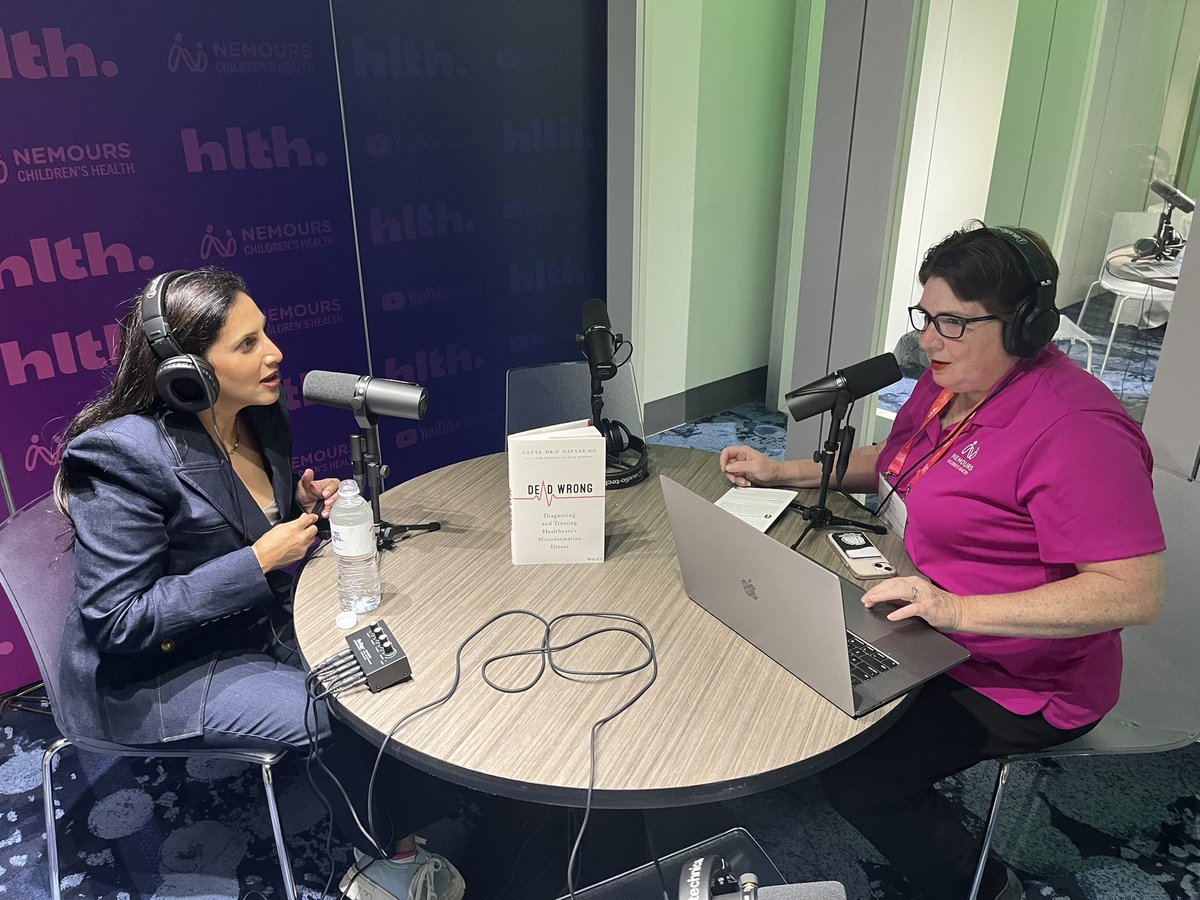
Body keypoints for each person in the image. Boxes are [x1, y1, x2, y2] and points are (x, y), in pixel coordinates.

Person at [719, 222, 1165, 899]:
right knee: (782, 654)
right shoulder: (951, 381)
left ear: (1023, 326)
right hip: (923, 620)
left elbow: (1132, 593)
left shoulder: (1078, 432)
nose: (927, 340)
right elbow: (896, 462)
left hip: (1018, 679)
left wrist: (954, 607)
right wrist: (787, 471)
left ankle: (986, 889)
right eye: (925, 317)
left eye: (953, 323)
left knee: (862, 781)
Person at [53, 267, 466, 900]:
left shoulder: (258, 419)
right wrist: (259, 559)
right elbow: (119, 620)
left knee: (403, 658)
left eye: (265, 333)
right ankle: (382, 861)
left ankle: (406, 813)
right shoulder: (120, 455)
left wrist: (291, 504)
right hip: (158, 674)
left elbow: (228, 519)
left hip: (249, 623)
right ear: (183, 369)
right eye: (246, 344)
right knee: (341, 714)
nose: (274, 352)